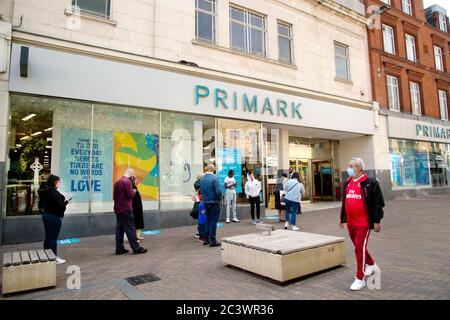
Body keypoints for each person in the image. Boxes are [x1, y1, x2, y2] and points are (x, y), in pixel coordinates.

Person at [340, 157, 384, 291]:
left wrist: (377, 221)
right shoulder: (347, 182)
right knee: (360, 247)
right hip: (351, 223)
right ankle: (371, 264)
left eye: (351, 166)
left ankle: (360, 278)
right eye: (348, 166)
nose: (349, 168)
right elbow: (345, 201)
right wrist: (342, 219)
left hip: (363, 223)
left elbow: (379, 203)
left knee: (359, 247)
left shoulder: (370, 183)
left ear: (359, 168)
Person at [113, 168, 147, 255]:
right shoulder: (127, 182)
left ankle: (119, 249)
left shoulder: (117, 182)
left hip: (118, 209)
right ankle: (136, 248)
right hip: (126, 209)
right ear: (131, 174)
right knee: (131, 229)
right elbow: (130, 195)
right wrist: (134, 191)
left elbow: (114, 196)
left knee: (119, 230)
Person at [40, 174, 69, 265]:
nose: (60, 183)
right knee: (53, 238)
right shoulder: (54, 193)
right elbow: (60, 206)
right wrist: (66, 203)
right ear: (55, 182)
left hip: (46, 215)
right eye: (59, 181)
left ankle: (47, 255)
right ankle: (53, 257)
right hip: (54, 217)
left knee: (48, 237)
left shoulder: (46, 191)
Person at [199, 164, 222, 247]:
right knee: (213, 221)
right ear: (213, 169)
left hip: (205, 202)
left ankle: (206, 239)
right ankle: (212, 240)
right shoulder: (215, 178)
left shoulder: (202, 178)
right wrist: (220, 199)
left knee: (207, 220)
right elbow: (218, 191)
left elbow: (201, 191)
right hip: (214, 202)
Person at [130, 175, 145, 241]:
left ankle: (137, 236)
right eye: (134, 180)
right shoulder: (132, 187)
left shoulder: (134, 187)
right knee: (135, 223)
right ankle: (135, 237)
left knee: (138, 223)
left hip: (137, 208)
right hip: (135, 209)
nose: (136, 181)